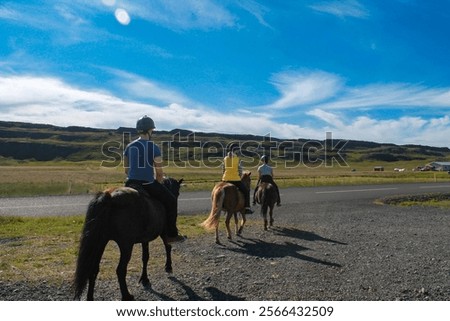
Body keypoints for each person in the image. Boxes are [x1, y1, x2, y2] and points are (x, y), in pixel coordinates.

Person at [123, 115, 186, 244]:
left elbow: (126, 170)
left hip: (130, 183)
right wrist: (158, 182)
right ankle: (171, 235)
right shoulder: (154, 147)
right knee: (171, 200)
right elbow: (159, 173)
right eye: (152, 130)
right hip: (147, 183)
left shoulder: (129, 146)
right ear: (149, 130)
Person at [222, 144, 254, 214]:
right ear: (236, 151)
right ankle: (247, 207)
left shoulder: (225, 158)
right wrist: (239, 177)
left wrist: (225, 177)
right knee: (246, 191)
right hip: (235, 180)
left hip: (225, 179)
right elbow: (240, 171)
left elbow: (223, 169)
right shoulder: (237, 159)